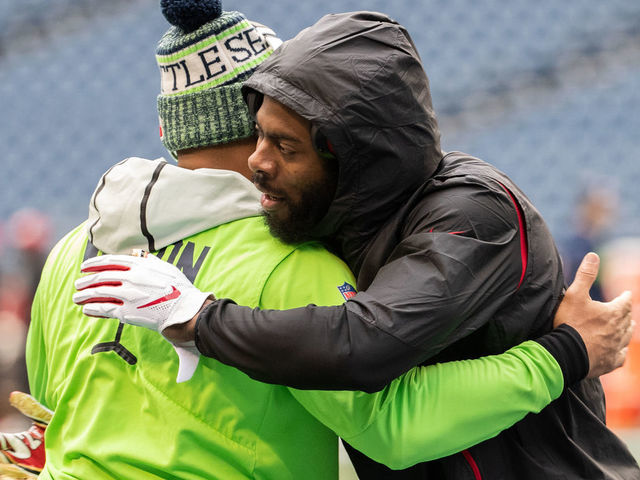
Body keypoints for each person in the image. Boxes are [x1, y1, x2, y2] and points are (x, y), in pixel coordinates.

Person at [15, 2, 629, 478]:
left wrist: (197, 318)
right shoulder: (288, 259)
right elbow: (395, 426)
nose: (262, 160)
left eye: (282, 142)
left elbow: (47, 414)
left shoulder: (73, 250)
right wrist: (564, 353)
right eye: (265, 134)